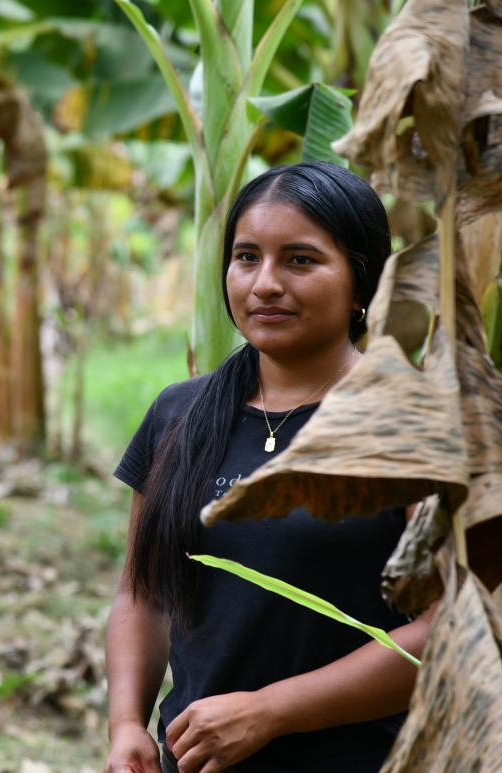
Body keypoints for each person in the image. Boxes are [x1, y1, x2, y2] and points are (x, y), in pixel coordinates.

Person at [104, 161, 434, 773]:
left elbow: (446, 627)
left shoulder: (407, 419)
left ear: (361, 285)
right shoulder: (180, 413)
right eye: (247, 257)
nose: (265, 284)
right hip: (195, 761)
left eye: (300, 260)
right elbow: (143, 592)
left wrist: (270, 711)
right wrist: (126, 724)